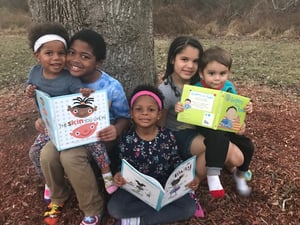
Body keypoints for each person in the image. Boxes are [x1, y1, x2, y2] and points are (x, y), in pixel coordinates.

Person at [38, 29, 130, 225]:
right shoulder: (61, 78)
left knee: (71, 157)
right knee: (46, 154)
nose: (75, 60)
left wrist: (116, 129)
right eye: (71, 52)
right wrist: (43, 120)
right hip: (68, 133)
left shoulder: (111, 86)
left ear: (98, 62)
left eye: (85, 56)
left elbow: (125, 117)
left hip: (100, 137)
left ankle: (93, 208)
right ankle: (58, 195)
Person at [25, 23, 118, 206]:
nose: (56, 58)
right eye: (49, 53)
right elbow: (30, 86)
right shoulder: (34, 73)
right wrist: (28, 90)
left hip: (73, 125)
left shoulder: (69, 77)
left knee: (95, 143)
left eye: (61, 53)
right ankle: (50, 183)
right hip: (50, 126)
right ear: (37, 55)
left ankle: (106, 174)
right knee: (35, 152)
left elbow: (79, 99)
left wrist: (84, 94)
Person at [158, 36, 247, 198]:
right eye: (184, 59)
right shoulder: (166, 90)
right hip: (181, 135)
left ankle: (219, 165)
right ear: (172, 59)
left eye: (195, 61)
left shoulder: (200, 81)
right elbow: (161, 125)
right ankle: (191, 181)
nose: (190, 66)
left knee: (238, 158)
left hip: (207, 130)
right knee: (226, 151)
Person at [107, 84, 201, 225]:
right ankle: (160, 212)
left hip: (165, 189)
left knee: (189, 208)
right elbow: (122, 164)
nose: (145, 113)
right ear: (131, 113)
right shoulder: (127, 139)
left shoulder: (167, 136)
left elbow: (176, 161)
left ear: (159, 114)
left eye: (151, 109)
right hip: (137, 189)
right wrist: (119, 175)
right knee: (114, 209)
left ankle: (137, 221)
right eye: (139, 109)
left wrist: (188, 179)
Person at [194, 46, 254, 196]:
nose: (217, 78)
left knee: (248, 145)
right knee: (217, 138)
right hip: (207, 127)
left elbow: (236, 107)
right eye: (212, 73)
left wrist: (246, 109)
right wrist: (181, 107)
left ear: (229, 72)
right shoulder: (197, 88)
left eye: (222, 73)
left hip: (227, 125)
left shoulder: (228, 87)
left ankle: (240, 176)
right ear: (201, 73)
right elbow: (190, 107)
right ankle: (213, 175)